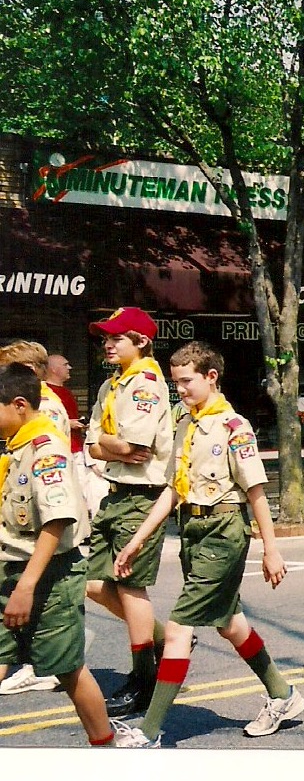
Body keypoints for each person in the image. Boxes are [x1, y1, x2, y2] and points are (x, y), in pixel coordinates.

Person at [109, 341, 304, 746]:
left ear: (210, 377)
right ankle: (283, 695)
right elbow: (172, 489)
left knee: (179, 627)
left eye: (186, 381)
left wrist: (271, 548)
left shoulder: (235, 427)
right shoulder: (185, 422)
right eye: (175, 381)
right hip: (193, 533)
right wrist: (137, 541)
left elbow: (256, 493)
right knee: (230, 623)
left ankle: (149, 732)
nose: (179, 389)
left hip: (224, 532)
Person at [0, 363, 134, 746]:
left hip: (48, 575)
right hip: (11, 567)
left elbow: (56, 522)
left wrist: (26, 587)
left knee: (67, 668)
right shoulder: (16, 448)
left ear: (20, 404)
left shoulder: (46, 451)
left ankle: (105, 743)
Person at [84, 307, 175, 717]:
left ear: (141, 342)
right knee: (90, 582)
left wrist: (108, 446)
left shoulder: (146, 384)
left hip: (141, 495)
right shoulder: (111, 385)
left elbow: (137, 452)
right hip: (114, 493)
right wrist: (109, 445)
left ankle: (143, 678)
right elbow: (91, 445)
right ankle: (166, 639)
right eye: (106, 336)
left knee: (130, 588)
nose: (108, 343)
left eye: (117, 337)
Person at [0, 341, 75, 696]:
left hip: (42, 544)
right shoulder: (17, 428)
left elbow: (54, 510)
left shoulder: (45, 419)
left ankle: (43, 666)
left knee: (63, 648)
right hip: (16, 545)